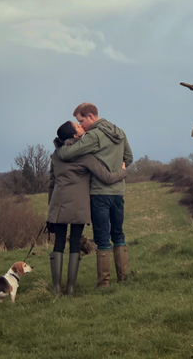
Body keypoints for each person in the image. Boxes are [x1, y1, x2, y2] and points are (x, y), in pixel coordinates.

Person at [55, 102, 132, 287]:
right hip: (119, 191)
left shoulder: (93, 136)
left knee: (102, 237)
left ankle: (104, 283)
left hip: (100, 192)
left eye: (81, 120)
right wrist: (119, 169)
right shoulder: (119, 131)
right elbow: (128, 158)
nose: (81, 125)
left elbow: (67, 154)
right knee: (119, 234)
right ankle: (123, 278)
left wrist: (58, 146)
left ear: (90, 116)